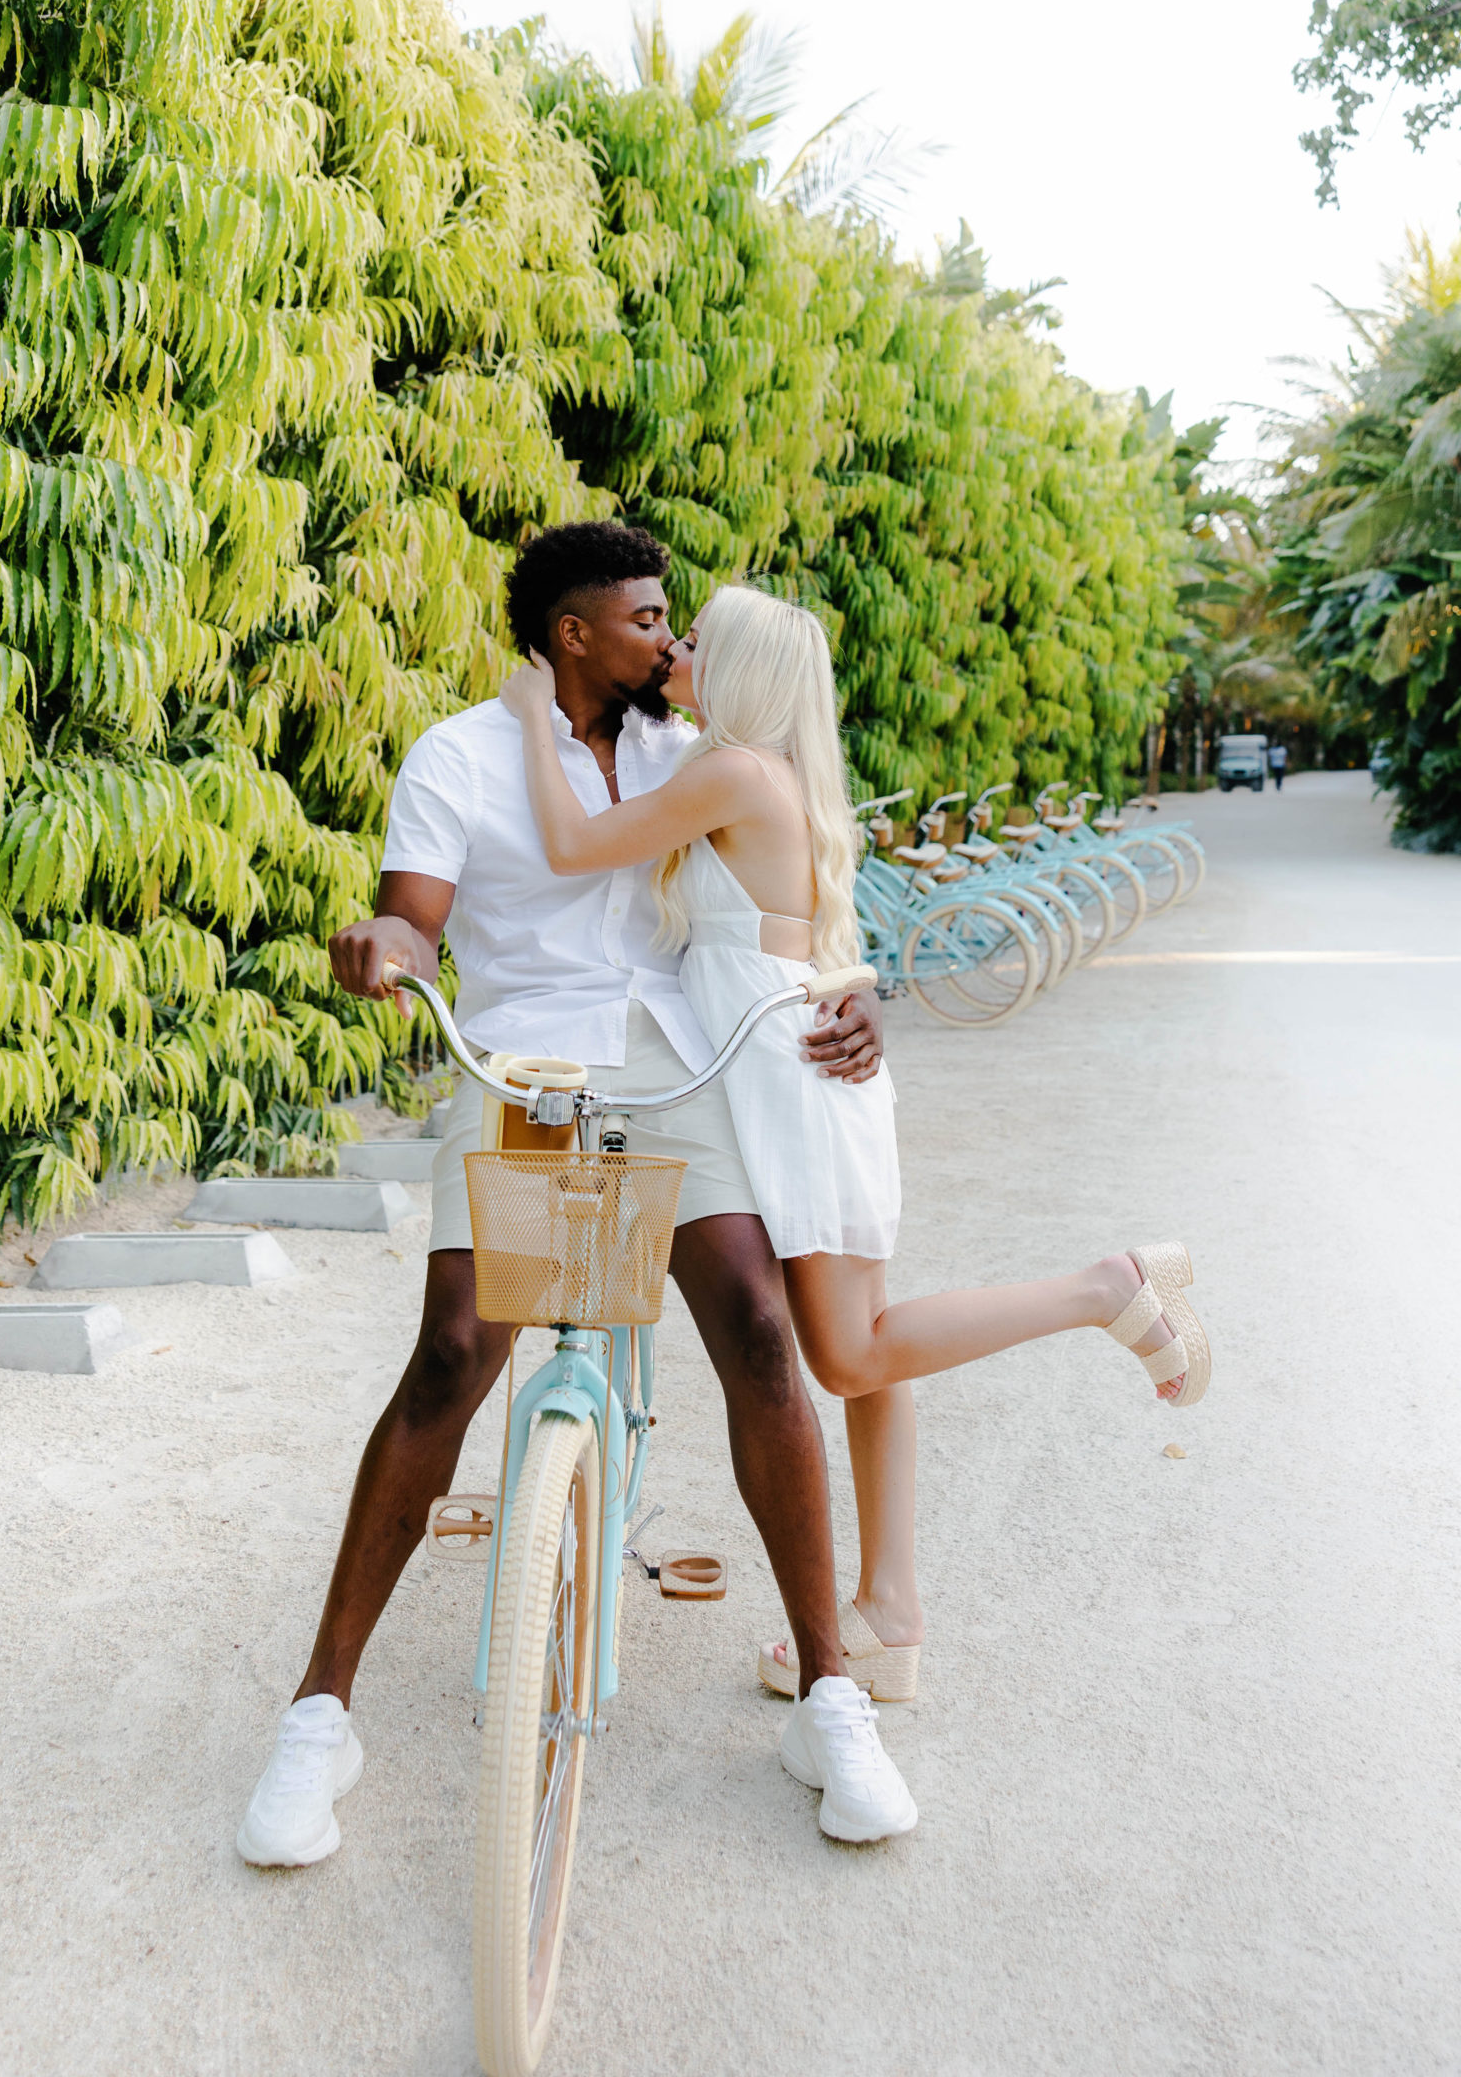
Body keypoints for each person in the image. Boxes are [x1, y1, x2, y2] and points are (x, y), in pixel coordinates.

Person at [237, 523, 918, 1867]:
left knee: (761, 1336)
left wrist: (860, 994)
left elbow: (797, 898)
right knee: (450, 1359)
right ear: (570, 634)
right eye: (648, 617)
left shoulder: (691, 749)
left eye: (675, 621)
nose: (671, 639)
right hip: (526, 1066)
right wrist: (386, 943)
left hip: (673, 1070)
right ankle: (319, 1712)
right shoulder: (462, 753)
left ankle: (831, 1697)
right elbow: (415, 913)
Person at [501, 583, 1213, 1711]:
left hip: (790, 1084)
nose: (675, 648)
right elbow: (815, 936)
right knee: (880, 1354)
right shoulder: (759, 768)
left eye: (698, 640)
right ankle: (891, 1619)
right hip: (796, 1068)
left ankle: (1103, 1288)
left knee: (851, 1354)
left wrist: (533, 712)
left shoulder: (732, 772)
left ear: (737, 670)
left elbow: (574, 843)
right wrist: (864, 986)